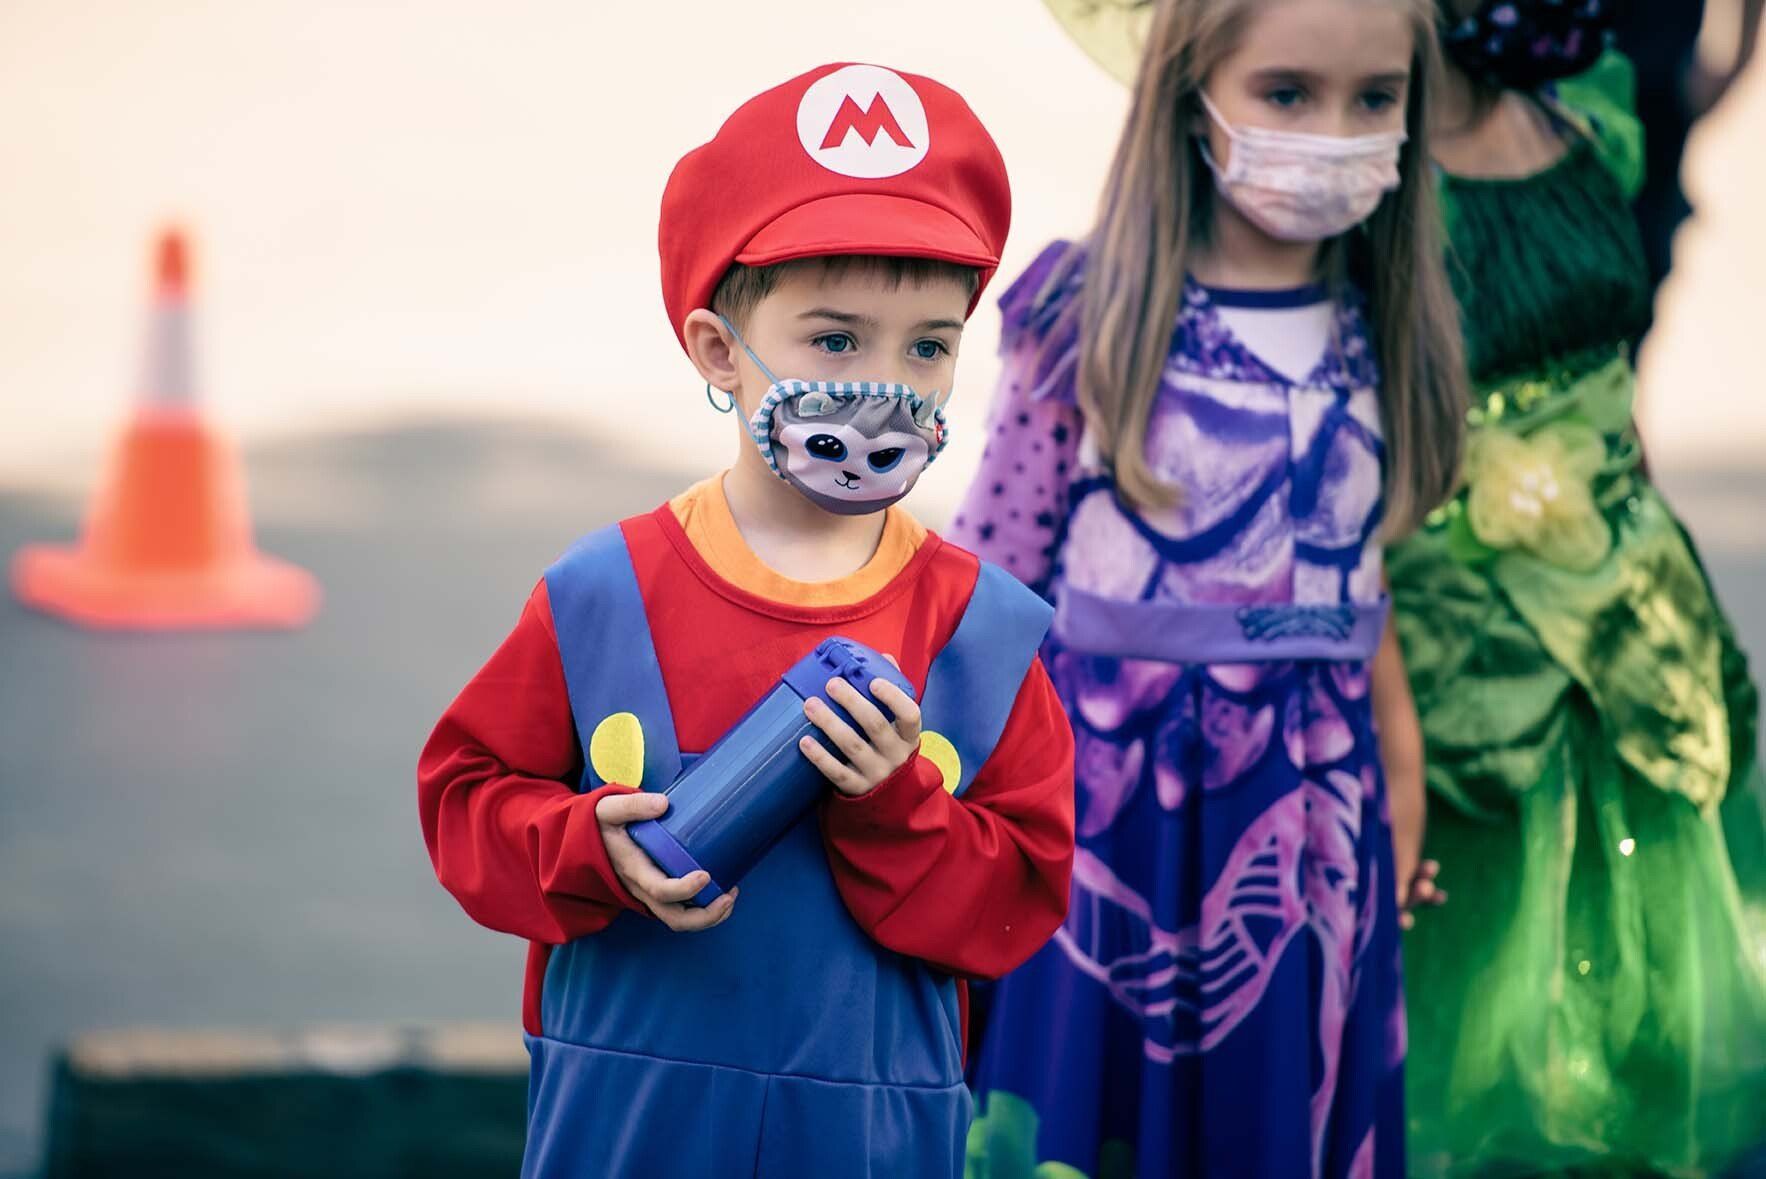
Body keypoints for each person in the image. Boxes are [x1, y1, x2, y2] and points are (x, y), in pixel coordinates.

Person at [417, 62, 1076, 1179]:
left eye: (927, 346)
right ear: (721, 348)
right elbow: (464, 801)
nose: (887, 384)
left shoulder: (985, 631)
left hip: (867, 1128)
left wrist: (894, 803)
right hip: (630, 1114)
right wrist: (591, 849)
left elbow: (1018, 897)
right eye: (834, 340)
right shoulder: (601, 592)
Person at [953, 1, 1468, 1173]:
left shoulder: (1384, 324)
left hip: (1313, 822)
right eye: (1285, 93)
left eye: (1374, 99)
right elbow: (991, 582)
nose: (1332, 133)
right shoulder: (1081, 314)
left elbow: (1356, 597)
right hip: (1101, 818)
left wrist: (1396, 782)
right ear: (1191, 95)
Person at [1392, 3, 1766, 1173]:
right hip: (1453, 654)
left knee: (1638, 996)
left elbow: (1610, 368)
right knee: (1480, 993)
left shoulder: (1596, 103)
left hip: (1627, 623)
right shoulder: (1365, 164)